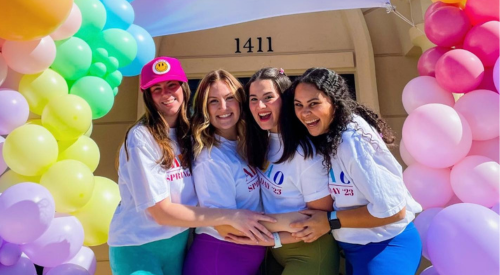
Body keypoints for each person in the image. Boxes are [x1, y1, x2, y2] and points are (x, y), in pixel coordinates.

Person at [107, 58, 275, 275]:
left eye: (171, 85)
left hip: (177, 245)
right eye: (156, 89)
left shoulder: (190, 133)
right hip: (138, 246)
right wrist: (230, 216)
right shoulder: (142, 137)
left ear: (184, 88)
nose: (166, 93)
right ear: (148, 96)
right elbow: (161, 212)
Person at [283, 68, 423, 275]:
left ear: (334, 103)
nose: (304, 112)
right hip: (357, 249)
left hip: (385, 246)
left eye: (314, 104)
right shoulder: (329, 135)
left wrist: (329, 221)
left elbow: (393, 210)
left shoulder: (351, 140)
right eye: (298, 105)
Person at [224, 67, 340, 275]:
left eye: (268, 97)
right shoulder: (264, 142)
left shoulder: (305, 154)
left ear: (285, 99)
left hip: (309, 252)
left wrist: (270, 237)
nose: (260, 105)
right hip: (274, 251)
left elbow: (320, 219)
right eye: (253, 99)